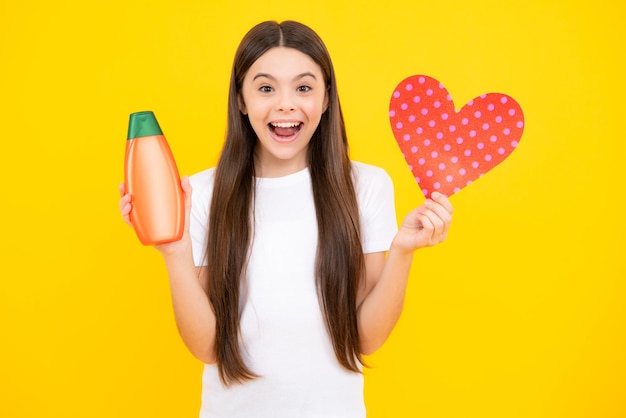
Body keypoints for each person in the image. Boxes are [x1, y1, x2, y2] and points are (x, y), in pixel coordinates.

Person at [119, 20, 453, 418]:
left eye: (304, 87)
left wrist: (402, 251)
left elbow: (366, 338)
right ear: (241, 100)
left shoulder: (366, 186)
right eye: (265, 88)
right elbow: (207, 347)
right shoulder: (202, 194)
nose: (285, 104)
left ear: (327, 99)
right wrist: (174, 252)